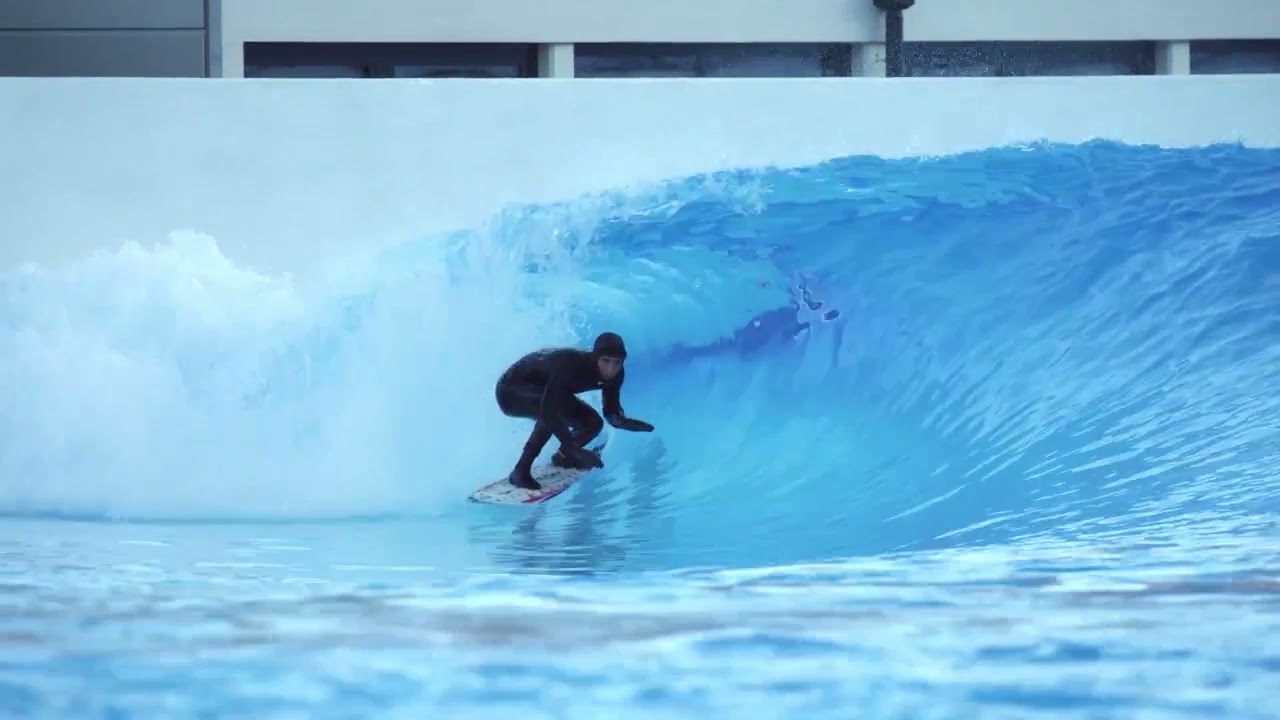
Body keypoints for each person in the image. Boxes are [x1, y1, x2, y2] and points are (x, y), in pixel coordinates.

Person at [495, 331, 654, 490]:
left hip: (545, 390)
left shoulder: (617, 374)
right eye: (606, 361)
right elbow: (549, 410)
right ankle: (520, 471)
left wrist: (624, 422)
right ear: (595, 358)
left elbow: (611, 412)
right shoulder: (570, 363)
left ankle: (563, 457)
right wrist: (575, 448)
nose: (611, 369)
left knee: (592, 423)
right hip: (510, 390)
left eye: (617, 362)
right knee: (551, 411)